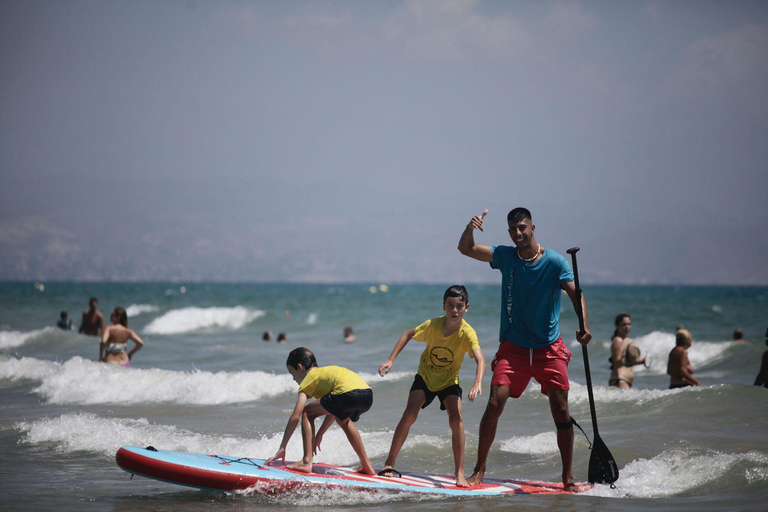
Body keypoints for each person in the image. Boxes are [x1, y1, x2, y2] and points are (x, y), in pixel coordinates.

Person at [457, 207, 592, 491]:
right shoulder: (506, 256)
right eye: (513, 229)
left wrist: (584, 326)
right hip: (514, 348)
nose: (518, 233)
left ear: (532, 228)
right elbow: (466, 248)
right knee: (494, 403)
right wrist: (470, 227)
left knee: (561, 409)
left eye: (522, 228)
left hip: (548, 348)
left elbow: (576, 294)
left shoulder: (555, 262)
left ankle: (567, 478)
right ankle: (479, 470)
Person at [377, 285, 486, 487]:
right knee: (410, 414)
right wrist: (391, 359)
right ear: (443, 306)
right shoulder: (433, 325)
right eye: (450, 306)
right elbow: (407, 335)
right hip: (425, 378)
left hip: (449, 382)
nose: (454, 310)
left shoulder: (467, 333)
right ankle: (389, 463)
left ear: (466, 307)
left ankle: (459, 473)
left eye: (459, 306)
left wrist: (477, 382)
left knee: (456, 419)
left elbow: (481, 359)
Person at [266, 347, 375, 475]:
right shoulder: (326, 374)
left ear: (300, 367)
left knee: (307, 412)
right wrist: (319, 434)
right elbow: (333, 410)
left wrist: (282, 447)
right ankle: (366, 464)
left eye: (291, 372)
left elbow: (296, 416)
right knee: (343, 420)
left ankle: (306, 462)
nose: (293, 379)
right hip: (367, 395)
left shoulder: (309, 379)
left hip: (347, 394)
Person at [608, 313, 646, 388]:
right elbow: (617, 361)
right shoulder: (618, 340)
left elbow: (624, 361)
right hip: (619, 380)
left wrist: (639, 361)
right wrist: (633, 361)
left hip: (624, 380)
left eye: (629, 324)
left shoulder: (625, 340)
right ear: (617, 326)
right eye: (624, 324)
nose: (627, 327)